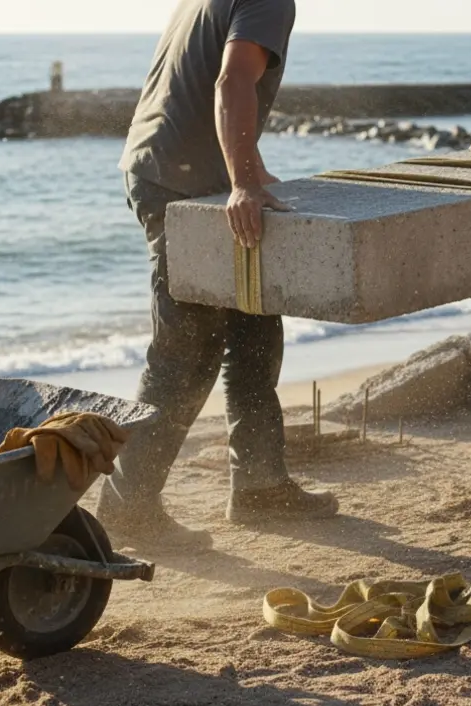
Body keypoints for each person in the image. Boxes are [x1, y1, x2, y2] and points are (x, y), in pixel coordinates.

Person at [100, 0, 338, 546]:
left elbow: (198, 74)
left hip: (174, 170)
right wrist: (245, 183)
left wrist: (245, 170)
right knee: (186, 351)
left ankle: (260, 487)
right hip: (179, 184)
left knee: (254, 324)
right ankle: (126, 506)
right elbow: (232, 81)